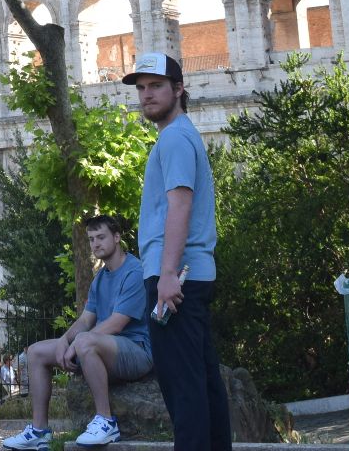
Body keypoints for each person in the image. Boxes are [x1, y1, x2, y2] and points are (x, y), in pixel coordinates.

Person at [130, 51, 231, 451]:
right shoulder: (183, 133)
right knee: (203, 383)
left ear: (178, 88)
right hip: (192, 274)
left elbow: (180, 204)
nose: (146, 95)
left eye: (156, 86)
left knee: (182, 388)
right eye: (141, 88)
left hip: (175, 277)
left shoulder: (173, 137)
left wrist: (167, 275)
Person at [2, 214, 152, 449]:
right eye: (91, 239)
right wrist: (64, 340)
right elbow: (85, 319)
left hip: (135, 351)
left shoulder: (134, 271)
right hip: (101, 348)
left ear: (117, 237)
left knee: (84, 343)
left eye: (101, 237)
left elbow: (116, 323)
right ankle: (40, 431)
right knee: (36, 352)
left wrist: (77, 343)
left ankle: (106, 421)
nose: (95, 244)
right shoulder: (100, 278)